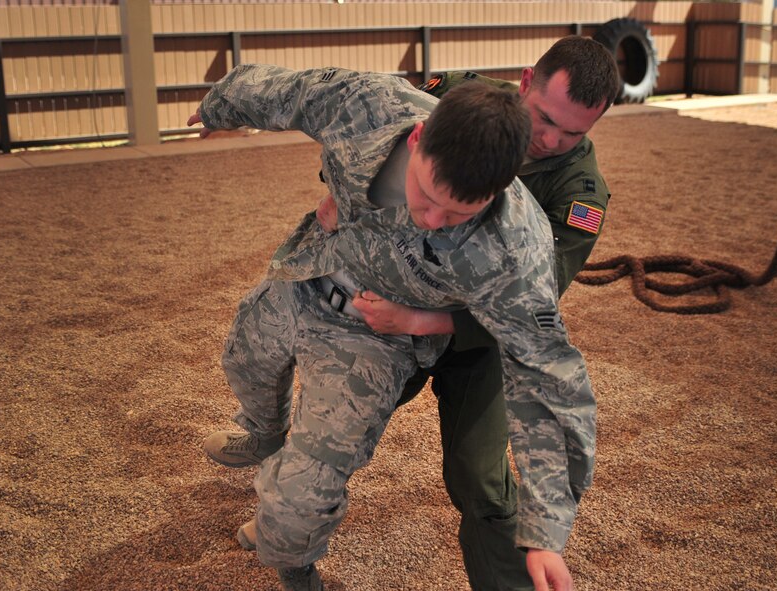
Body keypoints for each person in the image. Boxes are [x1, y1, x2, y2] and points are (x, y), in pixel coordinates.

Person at [191, 63, 595, 591]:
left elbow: (547, 380)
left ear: (499, 190)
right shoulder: (369, 105)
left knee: (300, 501)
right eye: (426, 196)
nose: (431, 219)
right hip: (305, 275)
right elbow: (290, 91)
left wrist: (545, 531)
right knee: (242, 360)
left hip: (371, 339)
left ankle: (293, 565)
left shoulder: (517, 248)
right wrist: (220, 106)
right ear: (420, 135)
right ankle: (264, 433)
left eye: (455, 215)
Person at [312, 36, 620, 591]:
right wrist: (338, 193)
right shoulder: (461, 97)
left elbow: (534, 307)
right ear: (525, 82)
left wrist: (422, 322)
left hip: (478, 344)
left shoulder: (580, 192)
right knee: (331, 420)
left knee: (480, 479)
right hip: (392, 312)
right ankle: (285, 522)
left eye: (575, 132)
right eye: (545, 118)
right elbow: (367, 133)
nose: (552, 140)